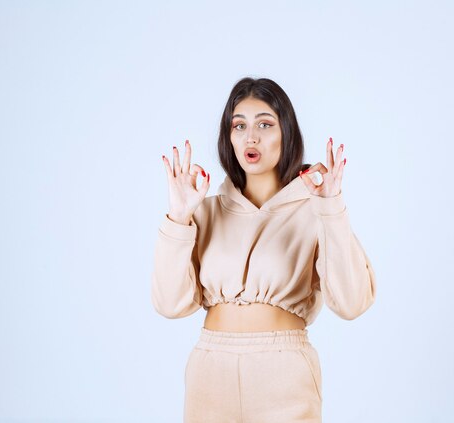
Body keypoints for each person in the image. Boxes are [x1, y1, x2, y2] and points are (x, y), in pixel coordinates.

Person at [152, 77, 377, 422]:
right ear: (228, 138)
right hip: (211, 370)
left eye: (265, 124)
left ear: (287, 133)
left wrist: (331, 209)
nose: (250, 137)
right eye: (239, 126)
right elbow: (169, 304)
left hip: (284, 373)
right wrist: (179, 216)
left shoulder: (314, 209)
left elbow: (351, 303)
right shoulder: (205, 211)